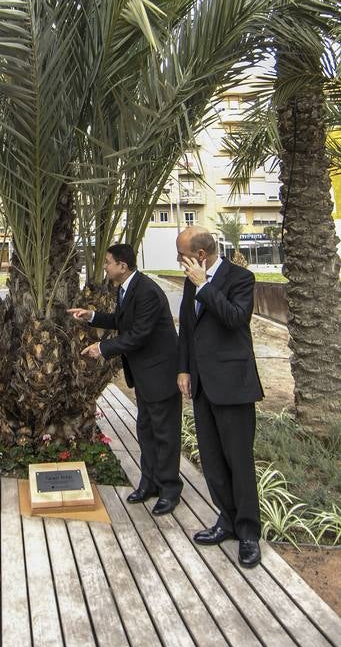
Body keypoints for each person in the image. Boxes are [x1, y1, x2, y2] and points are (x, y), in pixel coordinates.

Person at [68, 243, 183, 516]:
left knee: (164, 433)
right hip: (144, 374)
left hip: (160, 372)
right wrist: (92, 316)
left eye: (108, 262)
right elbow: (122, 321)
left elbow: (139, 333)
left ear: (123, 265)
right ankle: (150, 482)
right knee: (146, 428)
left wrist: (102, 348)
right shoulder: (127, 288)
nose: (105, 266)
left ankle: (169, 490)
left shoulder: (148, 292)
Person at [176, 226, 264, 568]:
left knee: (238, 462)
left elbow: (235, 318)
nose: (177, 260)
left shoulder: (241, 277)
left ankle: (248, 533)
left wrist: (204, 285)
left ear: (200, 255)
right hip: (201, 385)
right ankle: (226, 521)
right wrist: (183, 369)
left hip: (233, 385)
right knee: (212, 462)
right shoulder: (188, 281)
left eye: (181, 254)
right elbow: (186, 327)